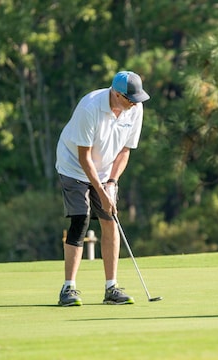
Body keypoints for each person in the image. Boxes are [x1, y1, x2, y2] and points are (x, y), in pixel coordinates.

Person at [55, 70, 150, 306]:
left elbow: (125, 151)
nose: (135, 103)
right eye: (131, 98)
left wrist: (111, 184)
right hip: (73, 166)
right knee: (81, 218)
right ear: (116, 94)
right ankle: (68, 288)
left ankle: (112, 288)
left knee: (110, 220)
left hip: (106, 170)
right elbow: (84, 157)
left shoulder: (135, 109)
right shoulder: (90, 108)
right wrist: (99, 190)